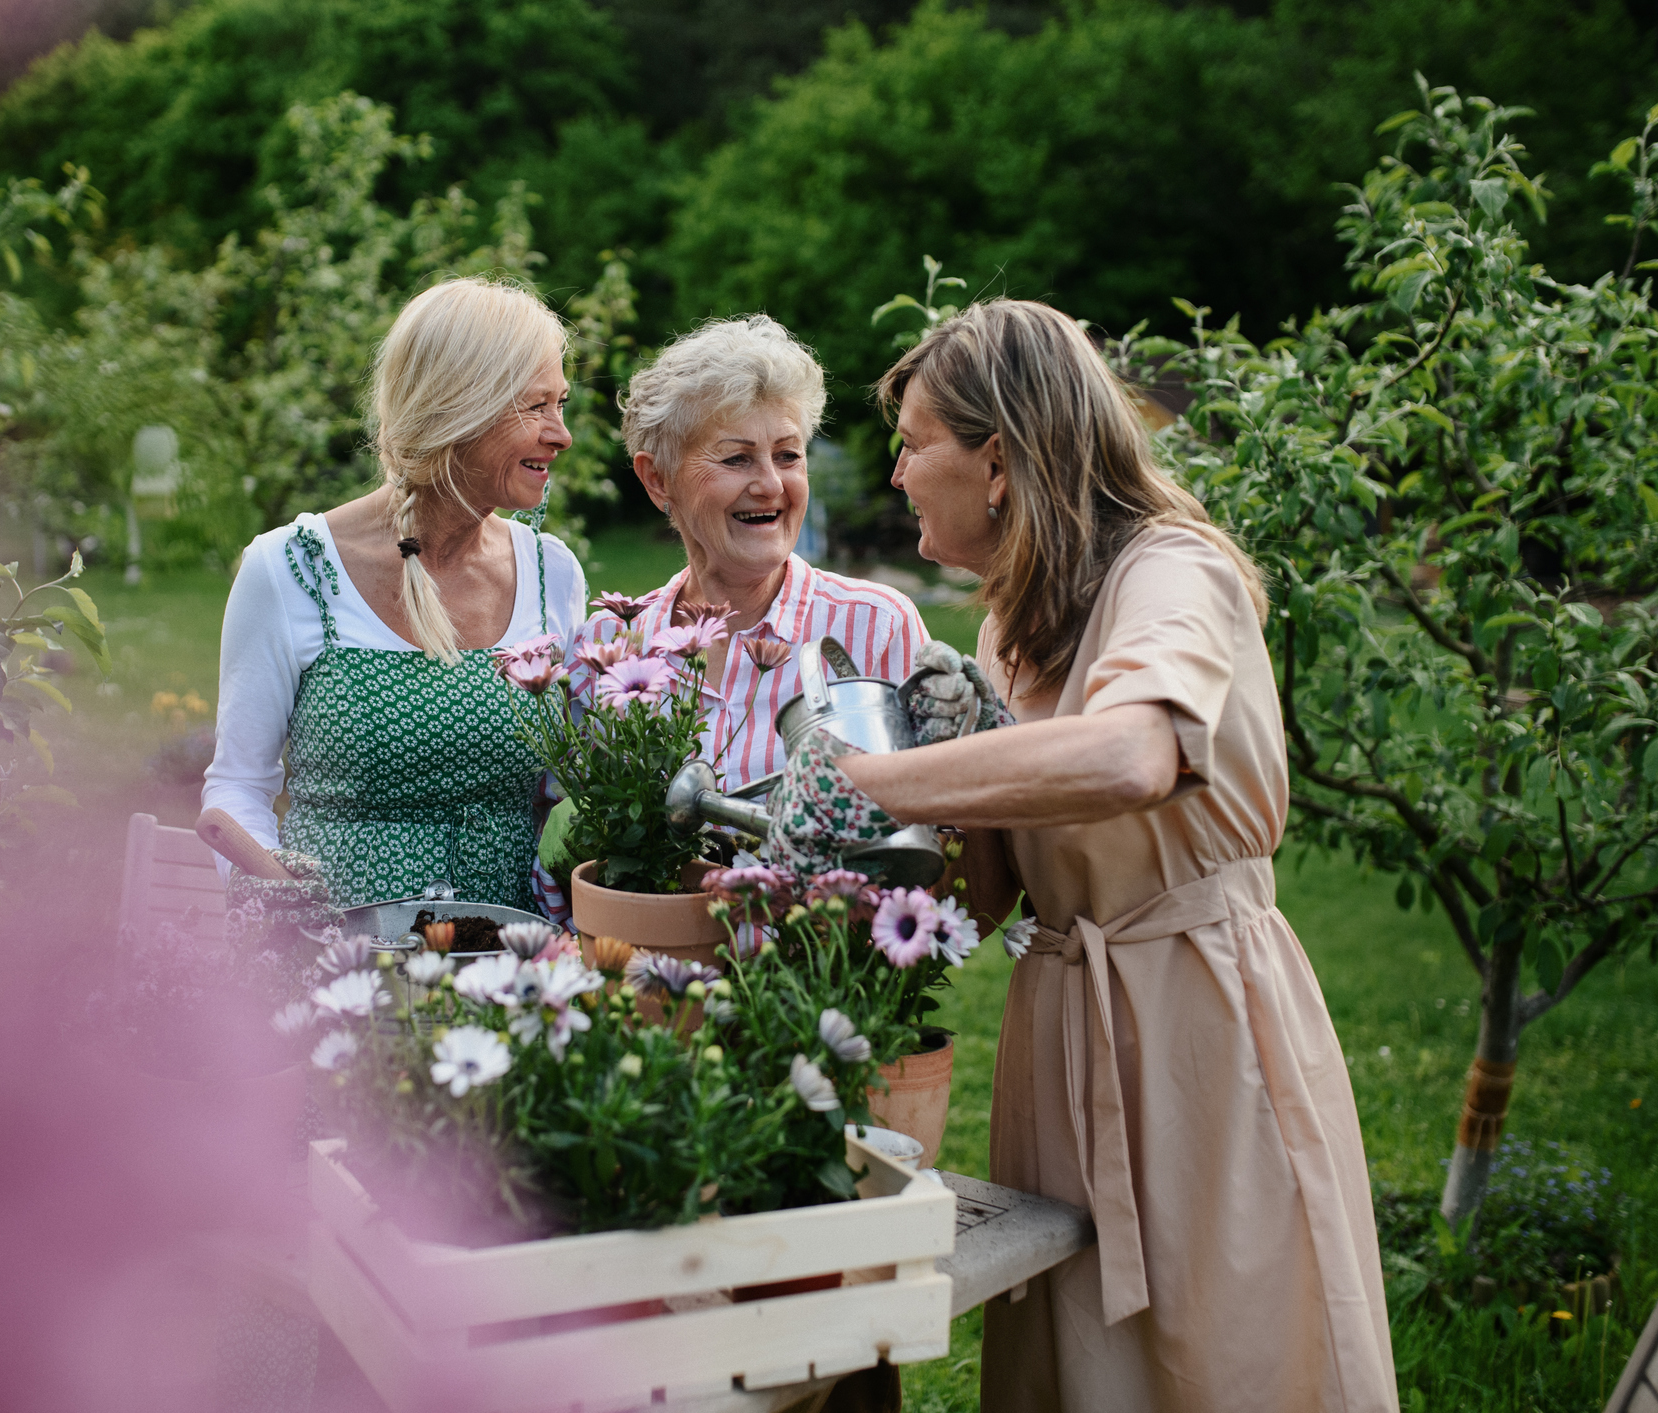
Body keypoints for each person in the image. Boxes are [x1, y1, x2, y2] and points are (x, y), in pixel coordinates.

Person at [763, 300, 1399, 1411]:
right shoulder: (1007, 626)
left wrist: (863, 780)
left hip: (1199, 1016)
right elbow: (1000, 886)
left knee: (1224, 1348)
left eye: (914, 446)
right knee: (1081, 1367)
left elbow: (1131, 757)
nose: (899, 475)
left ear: (998, 459)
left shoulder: (1171, 572)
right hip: (1061, 1026)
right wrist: (855, 873)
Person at [203, 276, 589, 919]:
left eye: (562, 403)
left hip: (515, 974)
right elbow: (238, 788)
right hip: (340, 969)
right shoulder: (290, 570)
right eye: (536, 407)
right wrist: (282, 915)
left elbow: (568, 787)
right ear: (458, 409)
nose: (562, 433)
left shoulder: (553, 573)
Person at [566, 315, 928, 796]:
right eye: (736, 459)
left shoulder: (874, 627)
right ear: (657, 479)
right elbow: (573, 834)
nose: (771, 486)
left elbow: (940, 828)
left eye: (788, 456)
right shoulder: (608, 647)